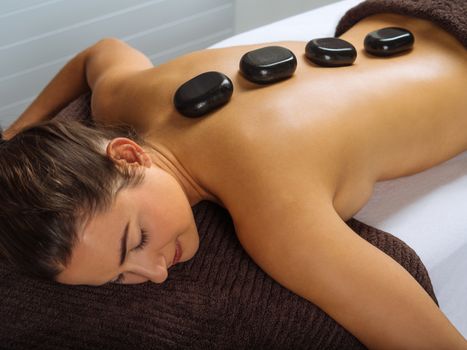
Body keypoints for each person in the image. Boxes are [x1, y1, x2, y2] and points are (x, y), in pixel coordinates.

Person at [1, 2, 466, 349]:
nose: (156, 272)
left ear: (127, 156)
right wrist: (19, 130)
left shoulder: (275, 214)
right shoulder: (126, 96)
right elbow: (101, 52)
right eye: (120, 279)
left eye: (137, 239)